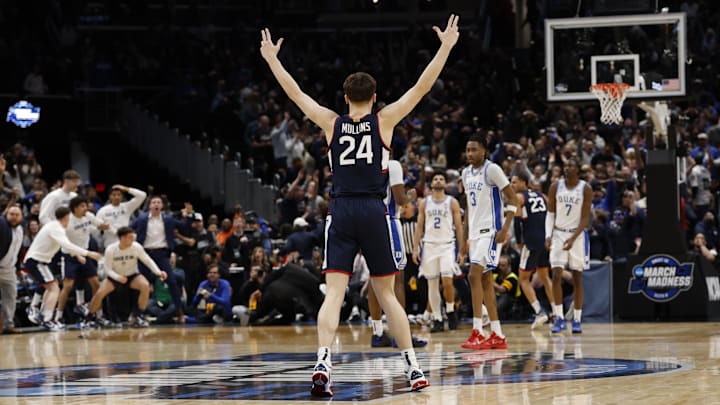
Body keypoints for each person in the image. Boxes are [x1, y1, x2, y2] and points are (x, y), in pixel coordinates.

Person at [260, 14, 459, 395]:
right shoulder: (384, 122)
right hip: (373, 210)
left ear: (346, 96)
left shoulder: (331, 122)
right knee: (386, 294)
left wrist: (272, 59)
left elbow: (295, 93)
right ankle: (414, 370)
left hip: (341, 211)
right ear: (374, 95)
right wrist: (446, 46)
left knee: (334, 292)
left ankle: (323, 362)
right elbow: (420, 87)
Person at [459, 134, 519, 350]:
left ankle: (477, 330)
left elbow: (514, 199)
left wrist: (505, 228)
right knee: (484, 282)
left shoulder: (492, 169)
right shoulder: (466, 173)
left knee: (473, 275)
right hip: (475, 234)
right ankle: (497, 334)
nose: (470, 154)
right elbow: (468, 210)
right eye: (467, 150)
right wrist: (464, 240)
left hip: (491, 233)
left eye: (474, 149)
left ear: (484, 150)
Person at [366, 159, 424, 347]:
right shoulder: (392, 165)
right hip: (388, 222)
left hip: (366, 222)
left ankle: (377, 332)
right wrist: (411, 196)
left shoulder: (364, 163)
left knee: (374, 278)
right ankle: (402, 333)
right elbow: (400, 199)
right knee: (398, 278)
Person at [22, 207, 103, 330]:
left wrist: (78, 255)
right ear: (66, 217)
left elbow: (65, 246)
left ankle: (43, 315)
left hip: (39, 261)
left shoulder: (54, 227)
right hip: (36, 261)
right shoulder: (56, 228)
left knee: (52, 287)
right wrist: (89, 254)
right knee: (54, 288)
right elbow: (67, 245)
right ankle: (45, 317)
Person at [412, 171, 464, 333]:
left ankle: (449, 310)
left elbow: (459, 227)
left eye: (441, 179)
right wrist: (415, 248)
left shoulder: (452, 202)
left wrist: (462, 250)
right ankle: (437, 318)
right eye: (436, 178)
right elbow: (419, 226)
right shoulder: (424, 203)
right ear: (431, 183)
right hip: (429, 246)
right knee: (432, 285)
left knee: (448, 281)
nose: (439, 181)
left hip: (447, 245)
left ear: (446, 183)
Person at [84, 227, 167, 328]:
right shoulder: (111, 249)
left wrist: (158, 271)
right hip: (115, 277)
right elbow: (107, 269)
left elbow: (147, 260)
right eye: (130, 237)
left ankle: (137, 316)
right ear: (122, 238)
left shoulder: (136, 247)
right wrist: (117, 277)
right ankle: (88, 318)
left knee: (145, 286)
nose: (132, 239)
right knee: (100, 293)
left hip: (132, 276)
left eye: (133, 237)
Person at [545, 157, 592, 334]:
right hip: (558, 233)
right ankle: (559, 318)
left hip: (577, 236)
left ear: (578, 170)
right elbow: (550, 213)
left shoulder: (585, 188)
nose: (567, 168)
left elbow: (586, 218)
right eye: (566, 165)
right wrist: (548, 235)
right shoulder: (555, 186)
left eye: (571, 165)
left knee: (577, 278)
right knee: (556, 274)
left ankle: (577, 320)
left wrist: (572, 239)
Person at [131, 196, 192, 323]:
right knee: (141, 283)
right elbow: (130, 227)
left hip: (162, 253)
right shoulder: (142, 218)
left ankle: (180, 312)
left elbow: (184, 226)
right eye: (154, 202)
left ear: (162, 206)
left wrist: (188, 215)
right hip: (145, 254)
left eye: (158, 202)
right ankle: (136, 314)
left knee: (172, 282)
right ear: (150, 206)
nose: (156, 204)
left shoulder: (168, 219)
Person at [54, 196, 113, 325]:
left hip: (85, 254)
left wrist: (106, 225)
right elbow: (64, 243)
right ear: (75, 208)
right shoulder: (68, 221)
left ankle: (99, 316)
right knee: (68, 286)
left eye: (86, 205)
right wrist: (77, 254)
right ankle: (57, 317)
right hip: (70, 255)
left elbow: (102, 226)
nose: (85, 208)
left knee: (96, 284)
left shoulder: (89, 216)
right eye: (82, 206)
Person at [511, 169, 555, 329]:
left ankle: (540, 312)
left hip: (531, 241)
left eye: (514, 182)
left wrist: (519, 241)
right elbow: (551, 214)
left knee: (523, 279)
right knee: (544, 276)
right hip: (545, 241)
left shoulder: (519, 197)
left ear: (524, 182)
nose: (511, 185)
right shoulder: (541, 195)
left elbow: (516, 221)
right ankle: (557, 314)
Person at [95, 184, 147, 249]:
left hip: (126, 243)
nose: (116, 197)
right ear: (109, 197)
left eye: (119, 195)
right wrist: (100, 227)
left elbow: (142, 195)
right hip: (110, 244)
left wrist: (125, 188)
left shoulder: (127, 207)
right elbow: (95, 227)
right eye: (114, 195)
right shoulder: (103, 210)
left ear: (122, 196)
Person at [0, 206, 25, 333]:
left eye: (17, 214)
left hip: (10, 269)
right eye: (11, 214)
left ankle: (8, 325)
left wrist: (18, 268)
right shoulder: (2, 225)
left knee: (11, 296)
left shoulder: (20, 229)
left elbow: (18, 250)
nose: (14, 217)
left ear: (21, 216)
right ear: (6, 215)